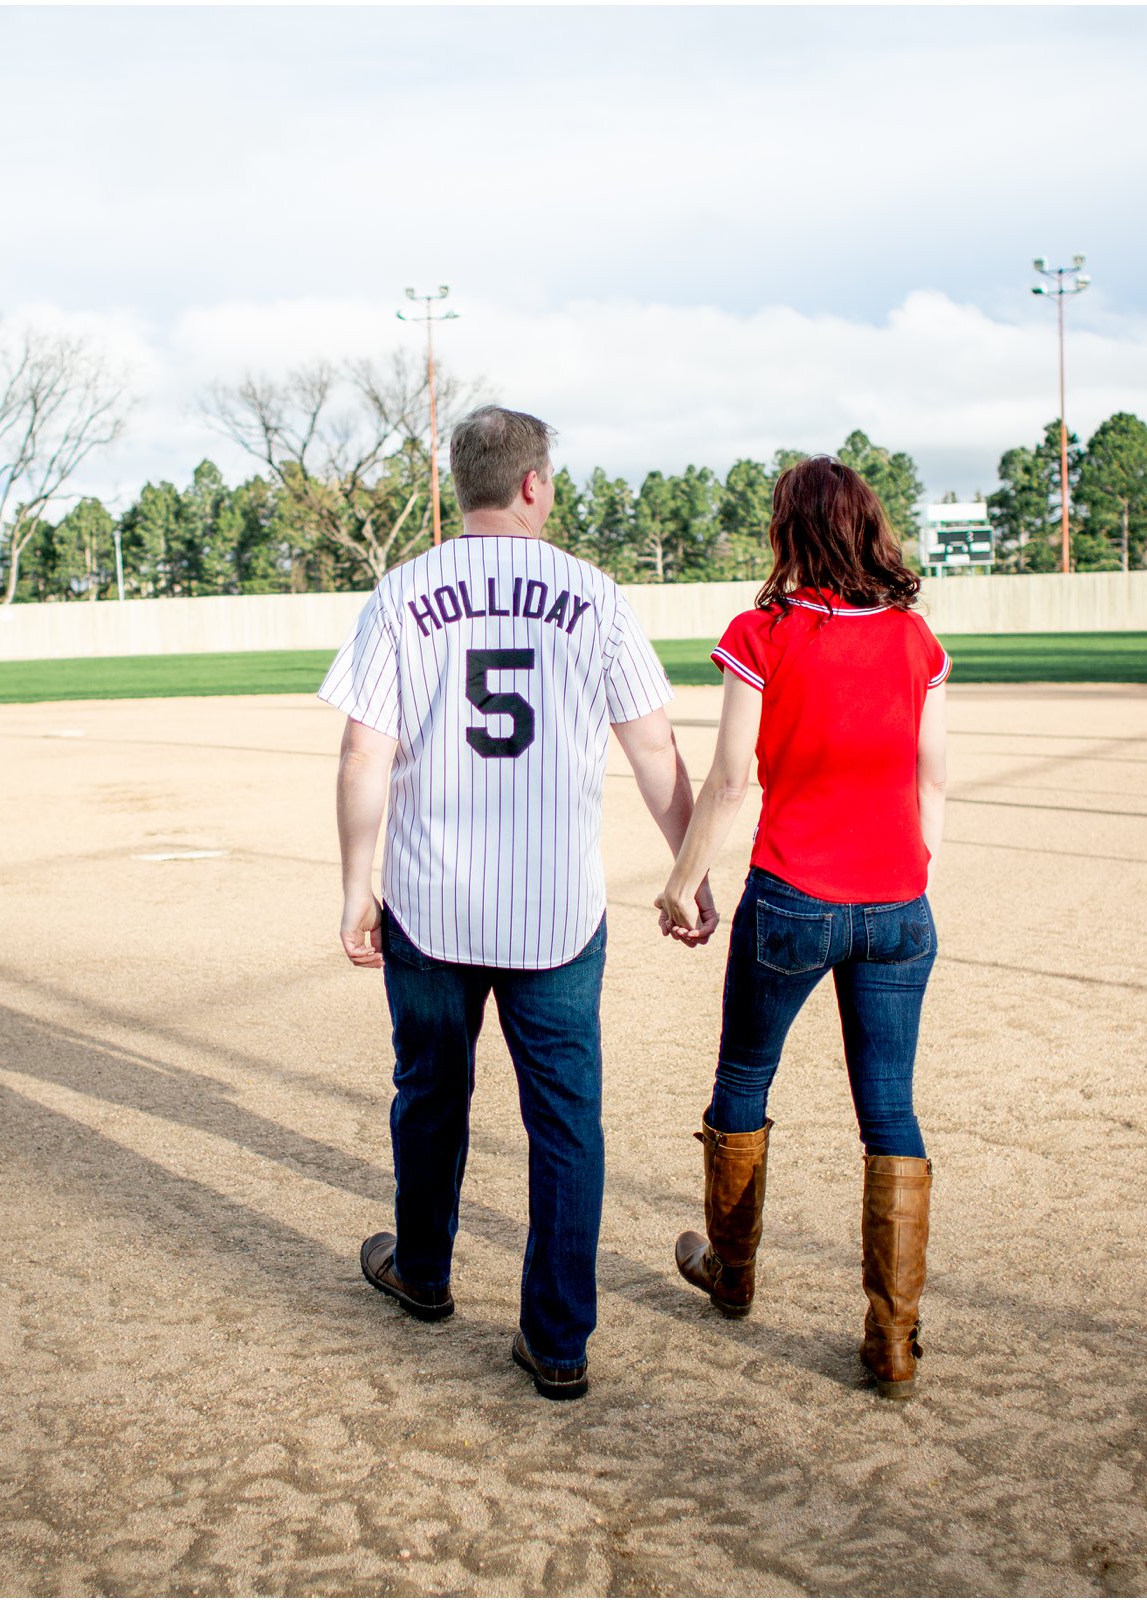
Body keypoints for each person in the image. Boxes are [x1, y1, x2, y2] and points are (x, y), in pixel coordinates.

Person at [322, 405, 713, 1401]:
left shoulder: (401, 591)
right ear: (533, 484)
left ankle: (422, 1271)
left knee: (430, 1098)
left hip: (430, 905)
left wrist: (354, 884)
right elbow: (656, 753)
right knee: (565, 1126)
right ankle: (556, 1342)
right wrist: (690, 868)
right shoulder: (594, 594)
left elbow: (363, 753)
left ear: (463, 484)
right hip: (552, 913)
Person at [654, 455, 949, 1398]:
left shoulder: (762, 632)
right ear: (868, 527)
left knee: (744, 1075)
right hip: (900, 904)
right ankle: (892, 1337)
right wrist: (911, 873)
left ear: (789, 533)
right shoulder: (913, 637)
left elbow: (733, 778)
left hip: (792, 896)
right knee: (889, 1109)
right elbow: (930, 779)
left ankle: (732, 1278)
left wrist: (681, 882)